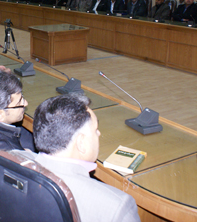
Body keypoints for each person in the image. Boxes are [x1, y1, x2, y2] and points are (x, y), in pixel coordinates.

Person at [20, 94, 140, 222]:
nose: (99, 133)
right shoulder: (117, 207)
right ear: (81, 143)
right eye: (95, 129)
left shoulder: (10, 159)